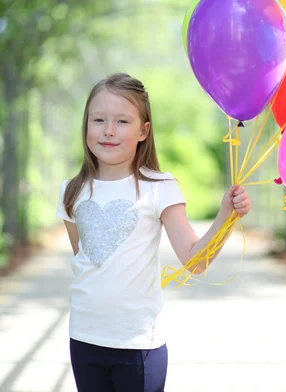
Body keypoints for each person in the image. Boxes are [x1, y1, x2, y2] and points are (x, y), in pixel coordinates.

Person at [56, 72, 251, 392]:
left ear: (144, 130)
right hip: (84, 338)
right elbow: (87, 260)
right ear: (86, 125)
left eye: (122, 121)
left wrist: (226, 216)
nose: (108, 130)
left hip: (139, 345)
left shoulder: (159, 187)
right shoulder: (72, 192)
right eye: (98, 119)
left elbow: (196, 261)